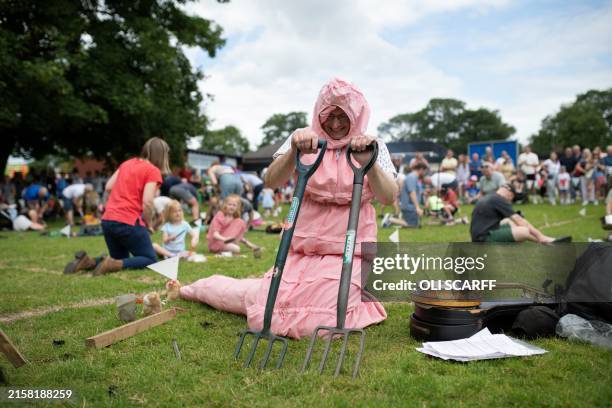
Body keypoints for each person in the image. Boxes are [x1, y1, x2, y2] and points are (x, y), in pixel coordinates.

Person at [178, 78, 397, 339]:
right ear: (319, 113)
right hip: (301, 247)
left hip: (348, 252)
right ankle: (201, 288)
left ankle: (243, 289)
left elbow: (388, 196)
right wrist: (294, 149)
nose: (335, 124)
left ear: (357, 115)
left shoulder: (374, 145)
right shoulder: (304, 138)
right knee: (271, 303)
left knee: (328, 313)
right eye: (330, 115)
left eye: (343, 116)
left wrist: (368, 163)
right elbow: (271, 181)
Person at [63, 137, 170, 275]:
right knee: (150, 259)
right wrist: (148, 223)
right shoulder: (153, 170)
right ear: (162, 155)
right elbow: (147, 202)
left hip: (108, 220)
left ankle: (87, 262)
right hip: (128, 221)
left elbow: (108, 187)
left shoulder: (127, 163)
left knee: (119, 260)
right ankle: (108, 263)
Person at [470, 184, 555, 243]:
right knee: (524, 231)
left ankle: (544, 242)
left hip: (477, 235)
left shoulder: (490, 196)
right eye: (512, 199)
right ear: (510, 195)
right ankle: (542, 239)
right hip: (484, 239)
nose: (510, 202)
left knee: (511, 223)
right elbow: (520, 221)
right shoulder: (499, 199)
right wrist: (540, 235)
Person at [383, 162, 427, 228]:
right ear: (421, 169)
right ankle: (389, 220)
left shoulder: (413, 177)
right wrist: (417, 207)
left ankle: (391, 220)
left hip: (409, 206)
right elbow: (412, 192)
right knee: (412, 225)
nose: (425, 173)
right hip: (409, 206)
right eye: (425, 171)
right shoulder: (412, 177)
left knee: (414, 223)